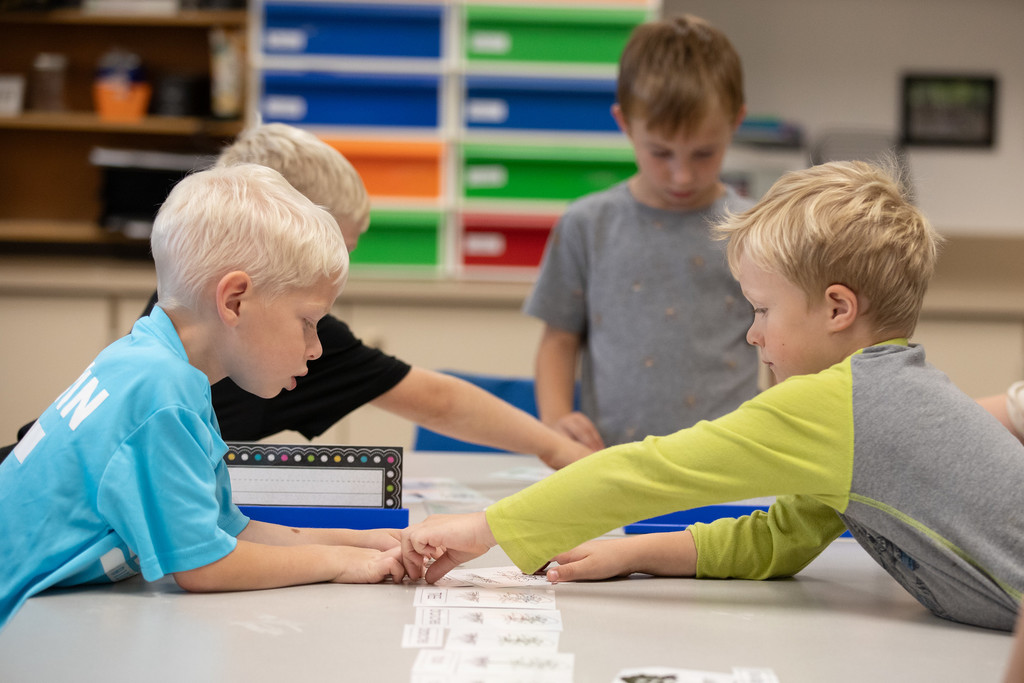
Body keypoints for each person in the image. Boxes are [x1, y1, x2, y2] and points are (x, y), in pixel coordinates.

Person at [402, 159, 1024, 632]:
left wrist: (487, 529)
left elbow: (648, 471)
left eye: (761, 309)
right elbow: (779, 541)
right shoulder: (875, 405)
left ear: (836, 308)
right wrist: (631, 552)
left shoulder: (842, 404)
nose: (752, 333)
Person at [0, 123, 592, 470]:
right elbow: (438, 401)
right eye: (336, 246)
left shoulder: (186, 306)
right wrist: (558, 450)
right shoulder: (255, 329)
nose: (339, 273)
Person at [0, 165, 406, 632]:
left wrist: (360, 544)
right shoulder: (162, 393)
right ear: (234, 301)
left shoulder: (155, 363)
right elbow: (204, 566)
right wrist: (339, 565)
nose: (316, 349)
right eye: (308, 322)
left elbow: (229, 529)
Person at [524, 15, 760, 451]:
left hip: (729, 466)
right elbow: (558, 339)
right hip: (614, 462)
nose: (682, 175)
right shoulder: (586, 225)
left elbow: (783, 348)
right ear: (625, 123)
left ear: (736, 121)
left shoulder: (757, 230)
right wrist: (555, 423)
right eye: (661, 152)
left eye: (704, 153)